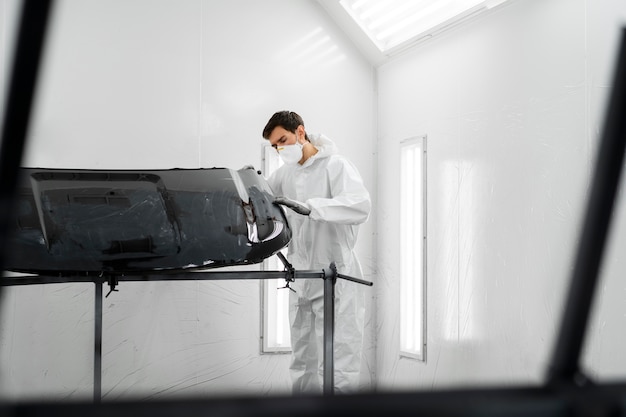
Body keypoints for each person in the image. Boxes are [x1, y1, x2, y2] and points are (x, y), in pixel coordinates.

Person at [262, 110, 371, 394]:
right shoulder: (284, 174)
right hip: (301, 279)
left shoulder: (336, 166)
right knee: (302, 361)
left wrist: (313, 208)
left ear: (301, 132)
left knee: (338, 362)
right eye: (275, 146)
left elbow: (360, 206)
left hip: (335, 277)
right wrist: (248, 184)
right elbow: (260, 201)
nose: (280, 149)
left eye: (283, 140)